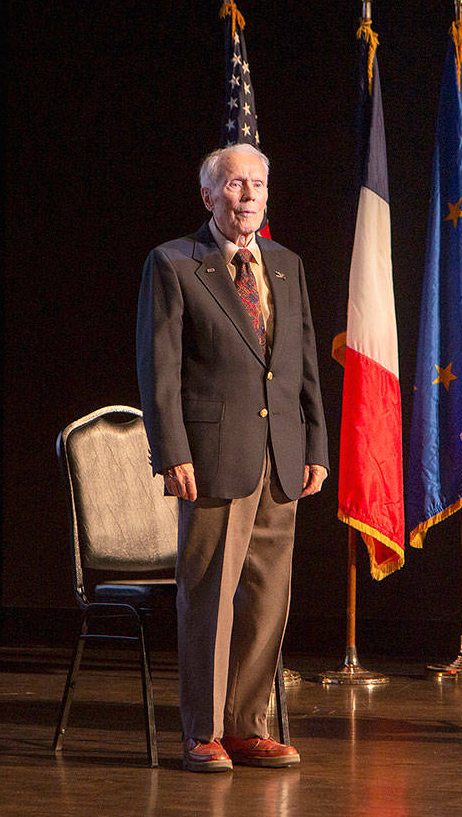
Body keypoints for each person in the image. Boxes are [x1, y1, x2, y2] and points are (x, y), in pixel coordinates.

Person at [136, 143, 328, 772]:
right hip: (212, 456)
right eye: (236, 185)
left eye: (259, 184)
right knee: (210, 594)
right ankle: (203, 730)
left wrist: (315, 444)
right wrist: (171, 451)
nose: (249, 195)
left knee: (268, 596)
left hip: (282, 457)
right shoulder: (174, 263)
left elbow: (301, 365)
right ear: (209, 196)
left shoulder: (285, 263)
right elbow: (159, 368)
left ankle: (248, 726)